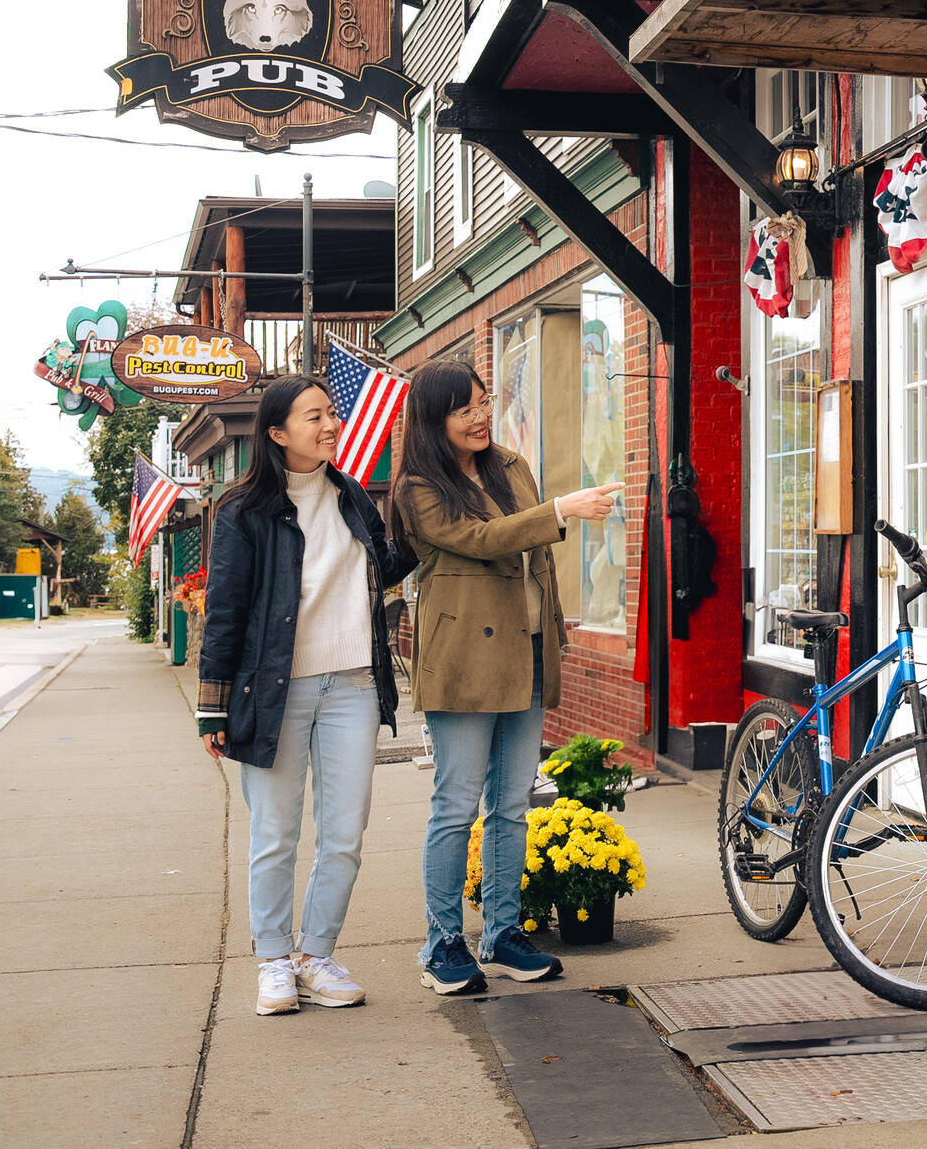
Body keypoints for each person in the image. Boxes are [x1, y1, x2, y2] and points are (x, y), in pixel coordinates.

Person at [391, 358, 620, 995]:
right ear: (433, 422)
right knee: (455, 806)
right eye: (464, 408)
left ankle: (501, 933)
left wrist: (560, 636)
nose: (480, 416)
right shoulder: (417, 488)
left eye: (484, 401)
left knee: (513, 805)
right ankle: (442, 944)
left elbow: (533, 559)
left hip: (529, 652)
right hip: (464, 661)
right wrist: (560, 509)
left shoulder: (509, 465)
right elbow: (486, 538)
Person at [197, 374, 416, 1016]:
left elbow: (388, 564)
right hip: (275, 693)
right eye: (314, 415)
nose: (330, 425)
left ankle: (314, 953)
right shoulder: (242, 512)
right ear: (277, 432)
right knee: (276, 832)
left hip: (352, 684)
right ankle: (272, 959)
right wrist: (213, 706)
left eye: (332, 414)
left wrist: (432, 518)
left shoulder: (351, 497)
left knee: (345, 832)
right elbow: (225, 611)